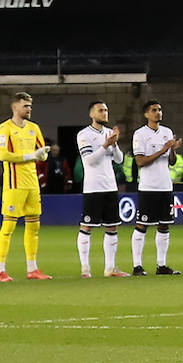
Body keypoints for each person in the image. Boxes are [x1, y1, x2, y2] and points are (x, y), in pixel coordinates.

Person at [0, 92, 51, 281]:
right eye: (25, 106)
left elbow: (42, 152)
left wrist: (42, 155)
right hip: (14, 184)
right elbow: (2, 154)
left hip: (32, 183)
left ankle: (32, 268)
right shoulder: (5, 128)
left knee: (34, 226)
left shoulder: (34, 128)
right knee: (8, 226)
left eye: (30, 106)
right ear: (15, 107)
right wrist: (29, 156)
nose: (29, 109)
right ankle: (0, 270)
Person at [129, 101, 182, 275]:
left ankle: (162, 265)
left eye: (159, 109)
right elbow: (140, 162)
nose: (158, 113)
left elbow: (171, 161)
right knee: (142, 225)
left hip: (165, 185)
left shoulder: (167, 132)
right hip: (148, 186)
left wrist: (172, 150)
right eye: (154, 110)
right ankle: (137, 265)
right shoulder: (140, 134)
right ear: (146, 114)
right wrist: (163, 149)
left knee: (164, 225)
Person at [75, 100, 127, 279]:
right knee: (87, 226)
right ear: (92, 114)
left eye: (106, 110)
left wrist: (114, 144)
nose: (104, 113)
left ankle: (110, 268)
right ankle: (85, 269)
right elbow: (88, 160)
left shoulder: (108, 133)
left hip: (110, 186)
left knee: (112, 227)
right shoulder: (84, 134)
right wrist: (105, 145)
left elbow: (120, 160)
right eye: (100, 110)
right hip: (93, 187)